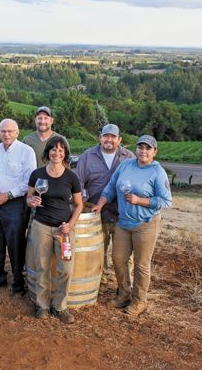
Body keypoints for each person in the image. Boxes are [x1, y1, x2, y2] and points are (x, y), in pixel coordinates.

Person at [92, 135, 172, 318]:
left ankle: (139, 301)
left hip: (146, 224)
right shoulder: (126, 165)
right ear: (136, 149)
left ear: (154, 152)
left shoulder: (157, 171)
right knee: (118, 260)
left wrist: (139, 200)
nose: (143, 151)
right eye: (140, 147)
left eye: (148, 148)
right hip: (124, 222)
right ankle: (124, 295)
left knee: (141, 264)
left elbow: (166, 201)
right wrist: (101, 203)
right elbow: (111, 187)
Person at [26, 136, 82, 324]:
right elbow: (29, 198)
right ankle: (41, 305)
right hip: (41, 226)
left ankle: (60, 306)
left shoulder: (71, 177)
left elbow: (79, 205)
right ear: (47, 152)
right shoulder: (37, 174)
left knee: (65, 268)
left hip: (63, 230)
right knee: (42, 267)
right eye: (53, 149)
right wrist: (32, 201)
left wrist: (71, 225)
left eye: (61, 150)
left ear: (65, 153)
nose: (56, 153)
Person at [75, 123, 134, 289]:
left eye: (113, 137)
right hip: (96, 213)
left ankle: (124, 287)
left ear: (119, 139)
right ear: (100, 138)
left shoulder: (128, 157)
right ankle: (97, 283)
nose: (109, 140)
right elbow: (78, 183)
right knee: (97, 251)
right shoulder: (87, 157)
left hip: (121, 214)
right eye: (106, 136)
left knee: (124, 254)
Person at [0, 119, 36, 295]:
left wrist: (8, 195)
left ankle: (18, 282)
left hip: (14, 202)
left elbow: (29, 181)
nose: (6, 134)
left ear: (17, 132)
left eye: (10, 131)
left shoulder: (26, 152)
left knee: (15, 242)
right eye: (3, 131)